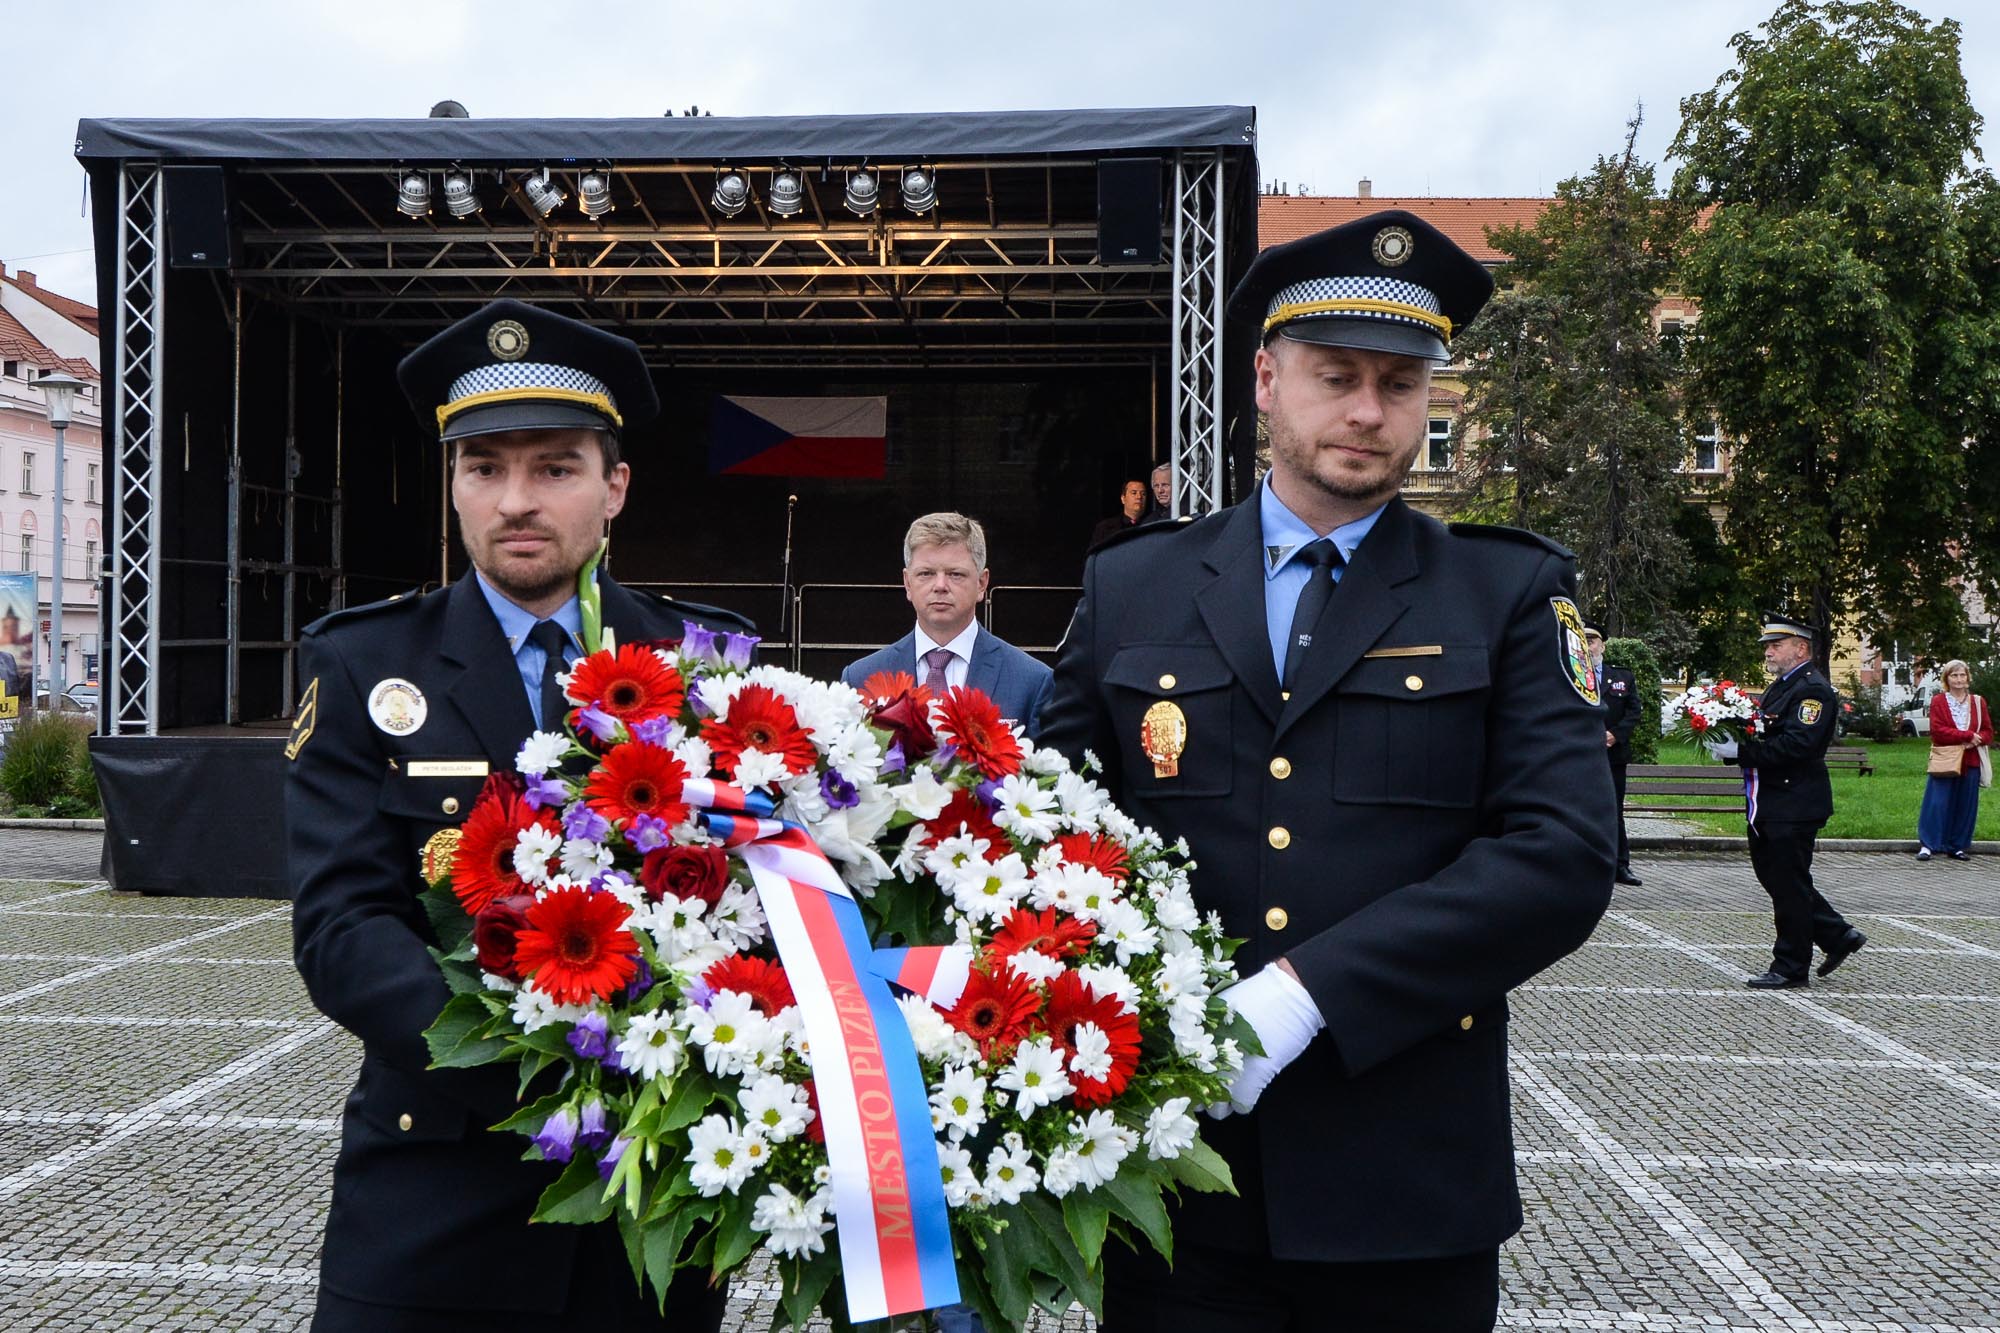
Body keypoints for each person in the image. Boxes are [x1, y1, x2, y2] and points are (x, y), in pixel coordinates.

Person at [1039, 209, 1616, 1331]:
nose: (1366, 411)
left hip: (1402, 1186)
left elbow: (1560, 856)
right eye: (1334, 374)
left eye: (1398, 385)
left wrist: (1305, 997)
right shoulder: (1136, 588)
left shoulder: (1501, 592)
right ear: (1263, 378)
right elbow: (1045, 823)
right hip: (1174, 1181)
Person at [286, 300, 744, 1332]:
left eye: (554, 466)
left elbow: (751, 910)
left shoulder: (699, 666)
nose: (515, 500)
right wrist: (541, 1063)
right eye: (483, 467)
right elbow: (342, 928)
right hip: (433, 1184)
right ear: (454, 486)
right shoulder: (366, 664)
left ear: (614, 486)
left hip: (645, 1193)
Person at [1704, 615, 1865, 988]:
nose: (1769, 651)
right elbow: (1764, 729)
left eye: (1776, 645)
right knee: (1779, 879)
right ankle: (1838, 935)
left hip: (1794, 802)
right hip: (1773, 801)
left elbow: (1797, 745)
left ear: (1801, 648)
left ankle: (1791, 967)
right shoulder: (1783, 686)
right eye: (1767, 646)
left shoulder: (1813, 691)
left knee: (1788, 884)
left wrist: (1738, 752)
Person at [842, 511, 1052, 737]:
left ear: (982, 583)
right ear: (907, 583)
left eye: (955, 574)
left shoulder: (1032, 682)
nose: (940, 585)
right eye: (926, 573)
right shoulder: (860, 678)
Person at [1916, 658, 1990, 861]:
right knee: (1936, 803)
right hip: (1946, 759)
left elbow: (1987, 732)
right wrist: (1966, 736)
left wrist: (1976, 740)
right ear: (1947, 679)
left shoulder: (1977, 702)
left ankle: (1956, 846)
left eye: (1962, 675)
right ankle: (1928, 845)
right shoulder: (1939, 701)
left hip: (1971, 760)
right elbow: (1937, 732)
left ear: (1968, 677)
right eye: (1954, 675)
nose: (1959, 679)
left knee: (1965, 805)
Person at [1586, 625, 1643, 886]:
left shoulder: (1622, 677)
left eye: (1592, 640)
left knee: (1613, 809)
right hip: (1579, 755)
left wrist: (1615, 735)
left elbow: (1634, 712)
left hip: (1612, 755)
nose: (1588, 646)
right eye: (1582, 640)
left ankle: (1620, 865)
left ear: (1603, 645)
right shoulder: (1568, 674)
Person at [1088, 478, 1148, 550]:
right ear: (1123, 498)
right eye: (1134, 493)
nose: (1139, 497)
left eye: (1143, 494)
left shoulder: (1151, 525)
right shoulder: (1104, 528)